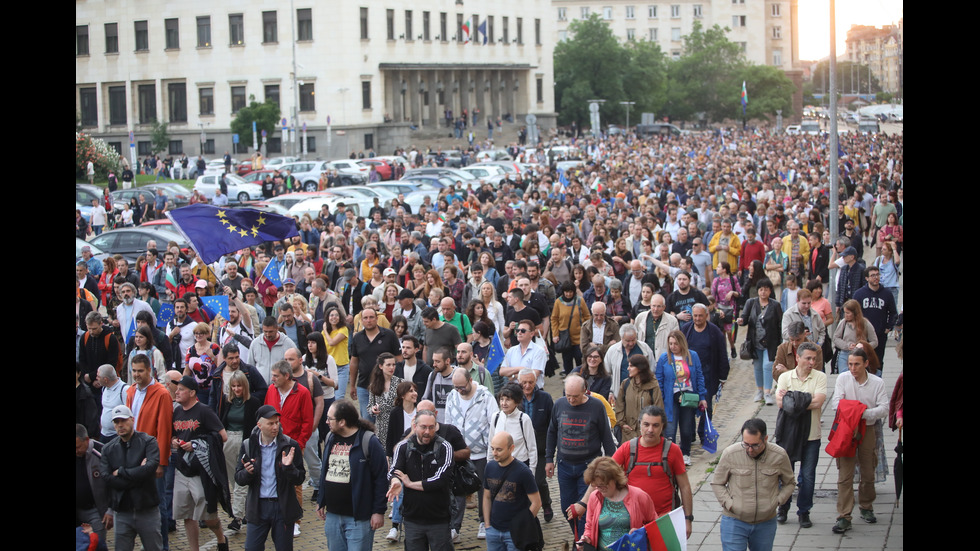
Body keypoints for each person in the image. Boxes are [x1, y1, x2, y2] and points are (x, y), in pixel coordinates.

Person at [546, 375, 617, 535]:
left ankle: (584, 541)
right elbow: (552, 432)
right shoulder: (559, 404)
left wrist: (611, 464)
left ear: (585, 391)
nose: (571, 400)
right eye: (568, 395)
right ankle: (579, 536)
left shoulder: (596, 406)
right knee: (567, 508)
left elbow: (606, 436)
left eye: (575, 396)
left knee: (585, 507)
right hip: (564, 466)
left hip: (588, 467)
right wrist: (549, 458)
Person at [711, 419, 795, 551]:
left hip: (765, 523)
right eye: (746, 444)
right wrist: (730, 504)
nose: (750, 450)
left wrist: (777, 501)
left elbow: (789, 483)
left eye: (755, 445)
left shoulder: (779, 455)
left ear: (765, 439)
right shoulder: (730, 454)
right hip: (735, 521)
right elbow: (717, 483)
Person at [316, 400, 388, 551]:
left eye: (330, 418)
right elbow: (325, 471)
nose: (326, 421)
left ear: (342, 422)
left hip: (359, 519)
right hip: (333, 515)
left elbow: (381, 478)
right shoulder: (330, 438)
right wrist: (321, 499)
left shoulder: (369, 441)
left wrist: (378, 511)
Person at [831, 349, 889, 534]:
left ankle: (866, 505)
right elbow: (836, 404)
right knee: (845, 475)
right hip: (847, 429)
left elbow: (884, 409)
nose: (852, 368)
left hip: (868, 429)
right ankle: (844, 515)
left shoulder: (877, 382)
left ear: (865, 363)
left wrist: (861, 413)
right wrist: (856, 412)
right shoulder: (843, 379)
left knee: (868, 471)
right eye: (850, 364)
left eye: (856, 364)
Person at [170, 376, 229, 551]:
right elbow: (174, 434)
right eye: (177, 388)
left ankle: (221, 537)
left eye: (181, 389)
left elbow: (222, 436)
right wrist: (174, 441)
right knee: (187, 515)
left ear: (192, 392)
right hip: (182, 469)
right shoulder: (177, 411)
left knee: (208, 516)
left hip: (201, 470)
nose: (177, 392)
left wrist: (196, 444)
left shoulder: (204, 411)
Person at [236, 404, 305, 551]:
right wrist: (247, 473)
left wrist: (289, 468)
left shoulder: (290, 445)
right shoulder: (248, 445)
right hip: (258, 508)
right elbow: (239, 478)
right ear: (259, 425)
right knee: (252, 547)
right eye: (270, 423)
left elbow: (300, 478)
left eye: (277, 423)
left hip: (282, 507)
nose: (275, 427)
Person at [386, 409, 456, 551]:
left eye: (431, 427)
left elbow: (440, 480)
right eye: (423, 427)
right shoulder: (403, 446)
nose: (427, 432)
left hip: (439, 519)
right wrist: (395, 482)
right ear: (415, 426)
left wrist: (410, 484)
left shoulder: (445, 447)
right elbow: (394, 471)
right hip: (412, 519)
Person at [774, 341, 826, 528]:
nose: (812, 362)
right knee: (785, 475)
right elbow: (781, 404)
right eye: (808, 358)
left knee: (808, 476)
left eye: (814, 358)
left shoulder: (819, 377)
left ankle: (804, 511)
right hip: (788, 434)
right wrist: (804, 399)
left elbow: (818, 402)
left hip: (812, 435)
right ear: (798, 358)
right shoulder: (785, 377)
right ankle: (783, 508)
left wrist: (792, 398)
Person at [445, 366, 499, 539]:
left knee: (484, 489)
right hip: (460, 453)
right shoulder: (452, 396)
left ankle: (484, 521)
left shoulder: (485, 396)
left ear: (470, 380)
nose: (460, 390)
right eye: (456, 387)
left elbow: (494, 423)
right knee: (458, 489)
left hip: (481, 452)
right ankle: (455, 527)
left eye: (462, 387)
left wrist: (492, 451)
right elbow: (448, 423)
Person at [100, 405, 163, 551]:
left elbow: (150, 469)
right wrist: (138, 473)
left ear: (132, 420)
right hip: (122, 511)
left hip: (147, 508)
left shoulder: (148, 441)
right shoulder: (108, 449)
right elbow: (106, 478)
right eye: (116, 422)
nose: (120, 425)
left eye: (123, 420)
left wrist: (121, 472)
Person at [578, 457, 658, 551]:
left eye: (603, 485)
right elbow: (589, 526)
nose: (600, 489)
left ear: (614, 478)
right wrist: (586, 538)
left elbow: (655, 526)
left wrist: (641, 533)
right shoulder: (594, 497)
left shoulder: (639, 496)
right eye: (597, 486)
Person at [482, 431, 542, 551]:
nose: (494, 453)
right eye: (492, 448)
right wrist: (487, 525)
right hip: (493, 530)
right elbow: (487, 497)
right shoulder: (490, 467)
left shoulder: (523, 472)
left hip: (514, 533)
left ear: (511, 448)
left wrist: (522, 527)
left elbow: (537, 502)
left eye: (499, 450)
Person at [655, 331, 708, 465]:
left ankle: (685, 453)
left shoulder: (692, 356)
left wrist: (702, 396)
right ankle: (670, 455)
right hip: (670, 396)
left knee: (686, 427)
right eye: (671, 343)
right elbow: (659, 379)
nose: (673, 346)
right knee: (670, 427)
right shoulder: (664, 358)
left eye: (676, 344)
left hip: (688, 396)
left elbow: (699, 376)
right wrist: (660, 397)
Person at [349, 307, 402, 419]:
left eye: (371, 317)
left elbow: (399, 359)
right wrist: (352, 385)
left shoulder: (389, 335)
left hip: (386, 386)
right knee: (367, 420)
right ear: (361, 320)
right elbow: (354, 362)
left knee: (385, 420)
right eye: (366, 318)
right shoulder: (357, 338)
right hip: (364, 386)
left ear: (377, 318)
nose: (369, 320)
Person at [736, 278, 783, 405]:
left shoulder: (775, 305)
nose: (763, 292)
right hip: (755, 340)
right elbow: (745, 318)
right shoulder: (751, 303)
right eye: (761, 289)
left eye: (766, 290)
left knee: (767, 365)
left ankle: (768, 392)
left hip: (771, 341)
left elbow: (780, 324)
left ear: (770, 291)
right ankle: (759, 391)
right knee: (757, 366)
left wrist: (781, 341)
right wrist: (741, 321)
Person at [852, 266, 897, 373]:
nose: (876, 277)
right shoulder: (859, 294)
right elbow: (853, 312)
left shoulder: (886, 293)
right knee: (861, 359)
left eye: (877, 275)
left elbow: (893, 312)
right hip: (863, 334)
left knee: (878, 360)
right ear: (867, 278)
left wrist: (888, 327)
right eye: (873, 275)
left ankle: (878, 382)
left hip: (880, 333)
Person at [76, 423, 112, 547]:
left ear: (86, 440)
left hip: (95, 511)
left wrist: (110, 509)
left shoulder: (102, 452)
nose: (76, 451)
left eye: (78, 447)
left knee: (97, 545)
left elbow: (114, 483)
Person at [551, 281, 590, 375]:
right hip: (565, 338)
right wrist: (555, 334)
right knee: (567, 361)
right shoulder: (558, 302)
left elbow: (587, 316)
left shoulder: (580, 301)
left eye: (570, 292)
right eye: (566, 292)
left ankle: (581, 379)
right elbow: (554, 319)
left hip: (579, 338)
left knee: (579, 360)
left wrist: (586, 331)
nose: (568, 294)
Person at [832, 300, 878, 374]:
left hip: (860, 355)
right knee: (844, 376)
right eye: (844, 312)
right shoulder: (843, 323)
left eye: (848, 313)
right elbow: (836, 338)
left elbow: (875, 341)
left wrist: (863, 346)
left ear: (855, 313)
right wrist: (847, 345)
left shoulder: (865, 323)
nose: (845, 315)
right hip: (845, 354)